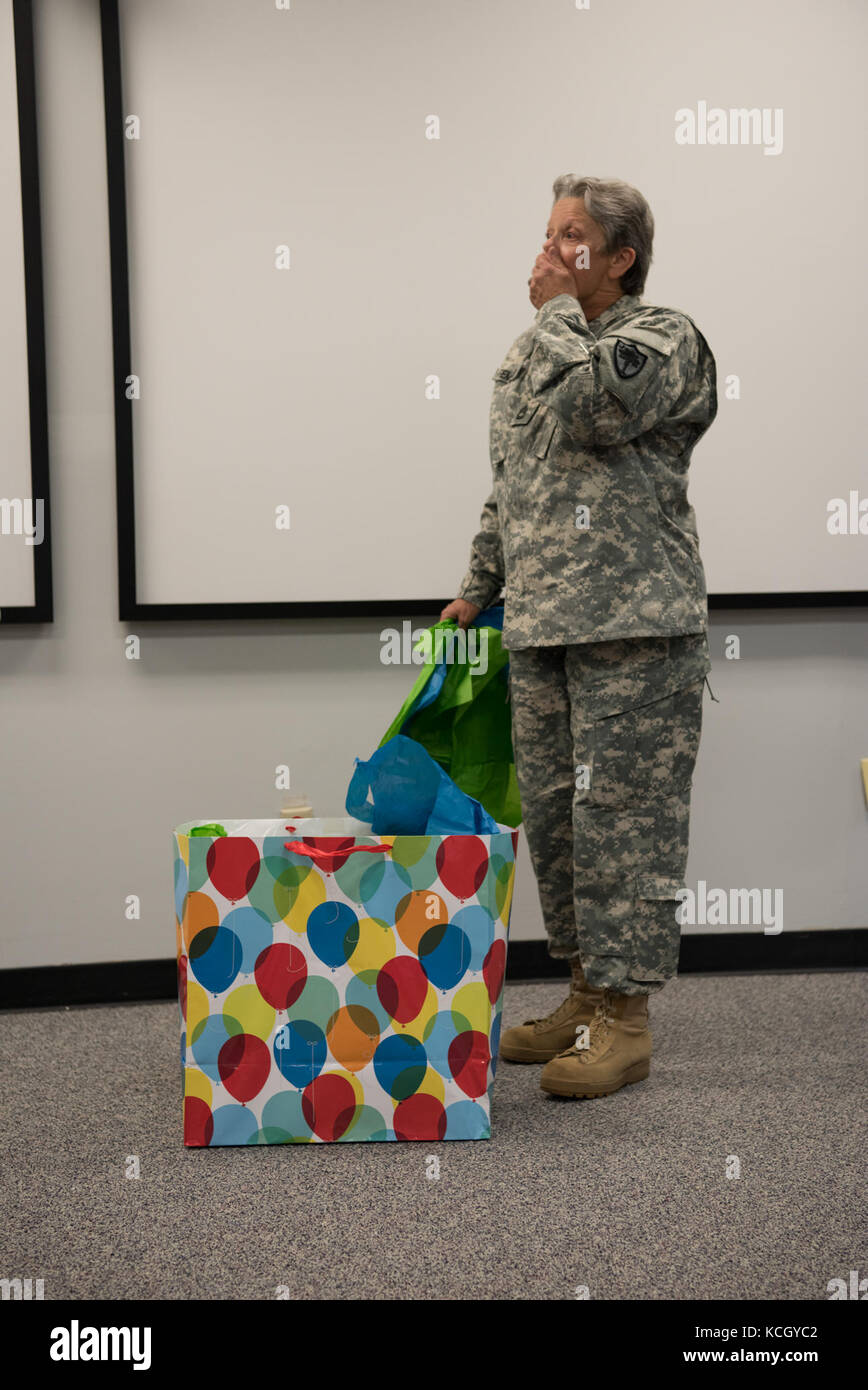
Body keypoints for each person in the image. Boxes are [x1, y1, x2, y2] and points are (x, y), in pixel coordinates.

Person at [441, 175, 717, 1099]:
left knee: (624, 828)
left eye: (574, 237)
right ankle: (585, 994)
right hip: (544, 631)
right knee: (557, 822)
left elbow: (595, 408)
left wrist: (557, 316)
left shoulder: (663, 338)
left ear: (622, 258)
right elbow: (514, 479)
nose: (552, 250)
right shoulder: (533, 353)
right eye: (549, 233)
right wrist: (477, 586)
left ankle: (627, 1022)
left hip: (636, 636)